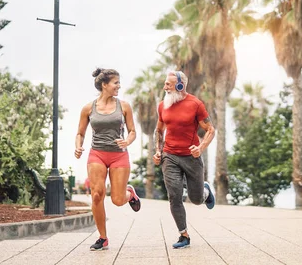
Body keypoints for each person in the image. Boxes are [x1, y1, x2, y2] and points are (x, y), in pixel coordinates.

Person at [75, 68, 141, 251]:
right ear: (104, 85)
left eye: (119, 82)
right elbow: (80, 133)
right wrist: (78, 146)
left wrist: (127, 140)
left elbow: (133, 131)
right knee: (97, 194)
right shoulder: (89, 108)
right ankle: (103, 238)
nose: (119, 86)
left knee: (118, 200)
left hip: (119, 155)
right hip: (97, 154)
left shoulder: (124, 106)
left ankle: (130, 194)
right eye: (116, 83)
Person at [153, 70, 216, 249]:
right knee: (174, 196)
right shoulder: (162, 106)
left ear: (180, 86)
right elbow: (158, 130)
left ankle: (204, 191)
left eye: (168, 84)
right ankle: (184, 235)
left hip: (191, 157)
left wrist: (200, 148)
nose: (164, 87)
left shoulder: (195, 104)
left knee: (195, 200)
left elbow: (210, 129)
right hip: (170, 156)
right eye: (165, 83)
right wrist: (158, 151)